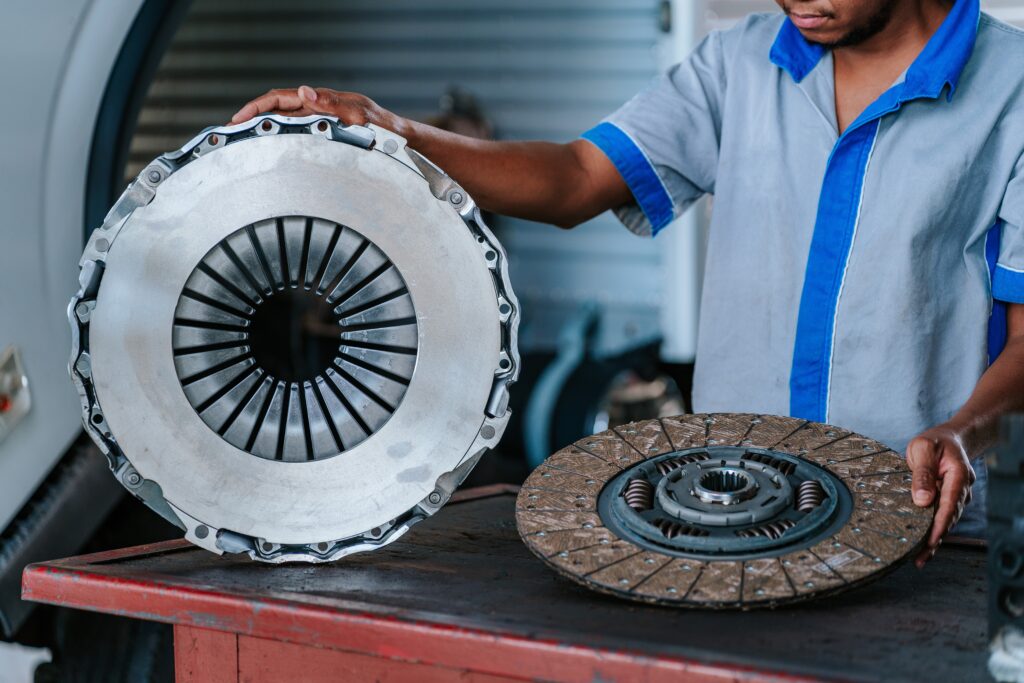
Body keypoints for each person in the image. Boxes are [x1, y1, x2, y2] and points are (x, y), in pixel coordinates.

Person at [231, 0, 1024, 568]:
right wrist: (394, 132)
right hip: (731, 526)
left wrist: (964, 432)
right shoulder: (738, 64)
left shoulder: (1011, 91)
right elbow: (576, 178)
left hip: (924, 534)